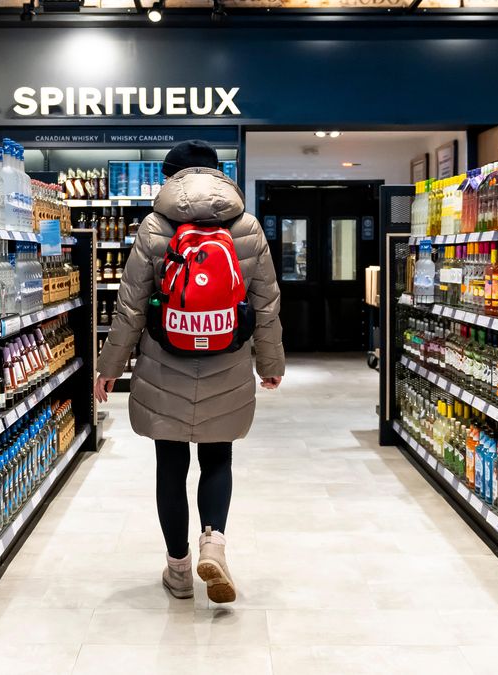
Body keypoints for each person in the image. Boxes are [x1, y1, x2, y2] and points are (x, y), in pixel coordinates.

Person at [95, 140, 285, 604]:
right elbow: (266, 304)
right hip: (229, 361)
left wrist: (109, 367)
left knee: (171, 465)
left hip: (165, 365)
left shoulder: (155, 227)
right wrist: (271, 364)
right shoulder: (247, 226)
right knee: (218, 458)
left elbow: (129, 309)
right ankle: (214, 542)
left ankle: (178, 570)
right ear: (218, 175)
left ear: (170, 178)